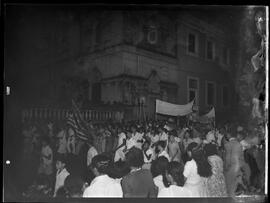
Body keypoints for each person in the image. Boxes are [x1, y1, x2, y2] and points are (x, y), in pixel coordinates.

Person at [224, 126, 244, 197]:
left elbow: (227, 159)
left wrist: (226, 169)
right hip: (238, 169)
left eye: (226, 134)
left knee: (230, 190)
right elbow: (242, 159)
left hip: (230, 169)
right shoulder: (239, 144)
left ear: (229, 135)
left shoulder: (227, 145)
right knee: (236, 190)